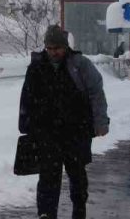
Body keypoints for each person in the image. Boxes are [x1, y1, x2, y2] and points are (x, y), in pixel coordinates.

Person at [19, 25, 109, 219]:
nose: (53, 52)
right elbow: (27, 97)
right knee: (48, 177)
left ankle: (79, 209)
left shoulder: (80, 64)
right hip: (47, 133)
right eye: (49, 48)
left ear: (65, 46)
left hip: (77, 131)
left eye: (57, 48)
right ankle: (46, 213)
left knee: (76, 175)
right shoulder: (36, 66)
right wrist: (26, 125)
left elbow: (96, 93)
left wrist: (101, 121)